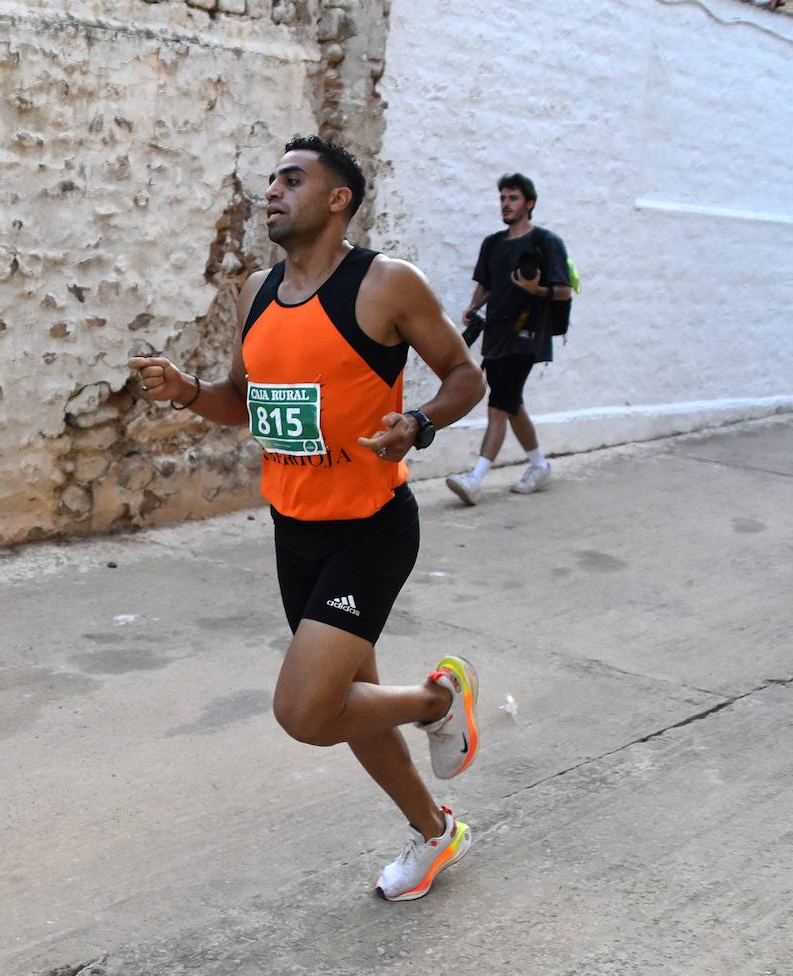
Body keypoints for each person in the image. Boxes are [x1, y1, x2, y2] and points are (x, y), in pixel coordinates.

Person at [129, 135, 487, 902]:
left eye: (292, 179)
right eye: (271, 179)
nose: (272, 191)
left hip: (370, 527)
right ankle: (435, 832)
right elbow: (242, 398)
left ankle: (438, 702)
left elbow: (466, 374)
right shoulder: (256, 291)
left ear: (337, 199)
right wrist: (187, 390)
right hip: (293, 533)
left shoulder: (386, 284)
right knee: (351, 710)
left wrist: (419, 423)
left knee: (307, 712)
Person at [446, 173, 572, 506]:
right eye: (502, 198)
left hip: (529, 334)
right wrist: (473, 307)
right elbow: (486, 284)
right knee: (512, 403)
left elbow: (563, 291)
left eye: (513, 198)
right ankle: (539, 465)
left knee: (499, 405)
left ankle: (475, 479)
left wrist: (535, 289)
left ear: (529, 203)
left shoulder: (546, 242)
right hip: (496, 334)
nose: (505, 204)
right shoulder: (493, 244)